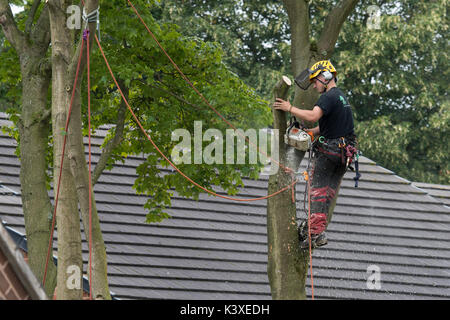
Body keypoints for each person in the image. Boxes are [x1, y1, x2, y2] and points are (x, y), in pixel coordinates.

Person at [273, 60, 357, 249]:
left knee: (317, 191)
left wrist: (289, 108)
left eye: (315, 81)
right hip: (344, 156)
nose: (314, 85)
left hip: (330, 152)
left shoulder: (328, 97)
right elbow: (328, 126)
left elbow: (313, 115)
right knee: (327, 194)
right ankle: (316, 229)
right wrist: (311, 132)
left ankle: (316, 233)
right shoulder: (341, 97)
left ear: (326, 77)